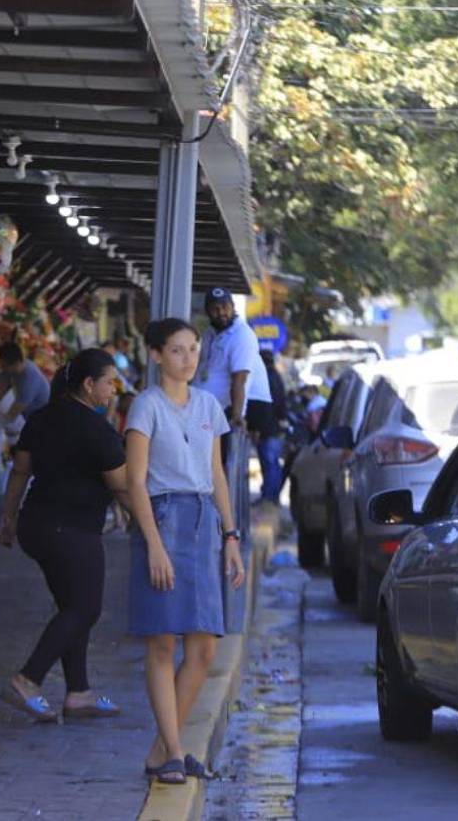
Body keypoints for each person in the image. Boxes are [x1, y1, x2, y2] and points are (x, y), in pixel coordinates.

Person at [124, 319, 246, 785]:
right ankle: (175, 751)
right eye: (177, 350)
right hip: (163, 518)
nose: (188, 358)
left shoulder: (209, 405)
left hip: (204, 524)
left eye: (194, 349)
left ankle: (162, 749)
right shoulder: (146, 406)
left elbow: (217, 475)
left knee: (205, 647)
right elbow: (135, 482)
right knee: (162, 642)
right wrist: (154, 544)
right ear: (156, 355)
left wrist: (231, 536)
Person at [0, 349, 129, 722]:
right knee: (85, 608)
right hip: (73, 531)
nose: (112, 391)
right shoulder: (98, 430)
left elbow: (19, 471)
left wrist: (8, 517)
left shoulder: (41, 418)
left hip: (36, 526)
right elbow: (122, 487)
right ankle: (27, 679)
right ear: (88, 384)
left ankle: (79, 692)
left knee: (73, 606)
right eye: (109, 383)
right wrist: (151, 525)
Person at [193, 288, 272, 443]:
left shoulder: (242, 335)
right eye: (215, 309)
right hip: (212, 408)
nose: (221, 312)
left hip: (233, 408)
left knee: (222, 456)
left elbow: (240, 379)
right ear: (207, 311)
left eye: (225, 307)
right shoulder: (209, 334)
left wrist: (237, 415)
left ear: (233, 306)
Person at [254, 349, 288, 508]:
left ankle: (269, 498)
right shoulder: (276, 377)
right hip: (274, 428)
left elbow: (262, 407)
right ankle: (271, 497)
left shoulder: (264, 378)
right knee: (272, 464)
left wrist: (257, 427)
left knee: (269, 464)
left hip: (267, 429)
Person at [0, 342, 52, 422]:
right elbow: (0, 389)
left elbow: (11, 416)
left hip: (35, 417)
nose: (2, 369)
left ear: (16, 363)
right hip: (23, 406)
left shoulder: (29, 382)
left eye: (4, 366)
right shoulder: (13, 368)